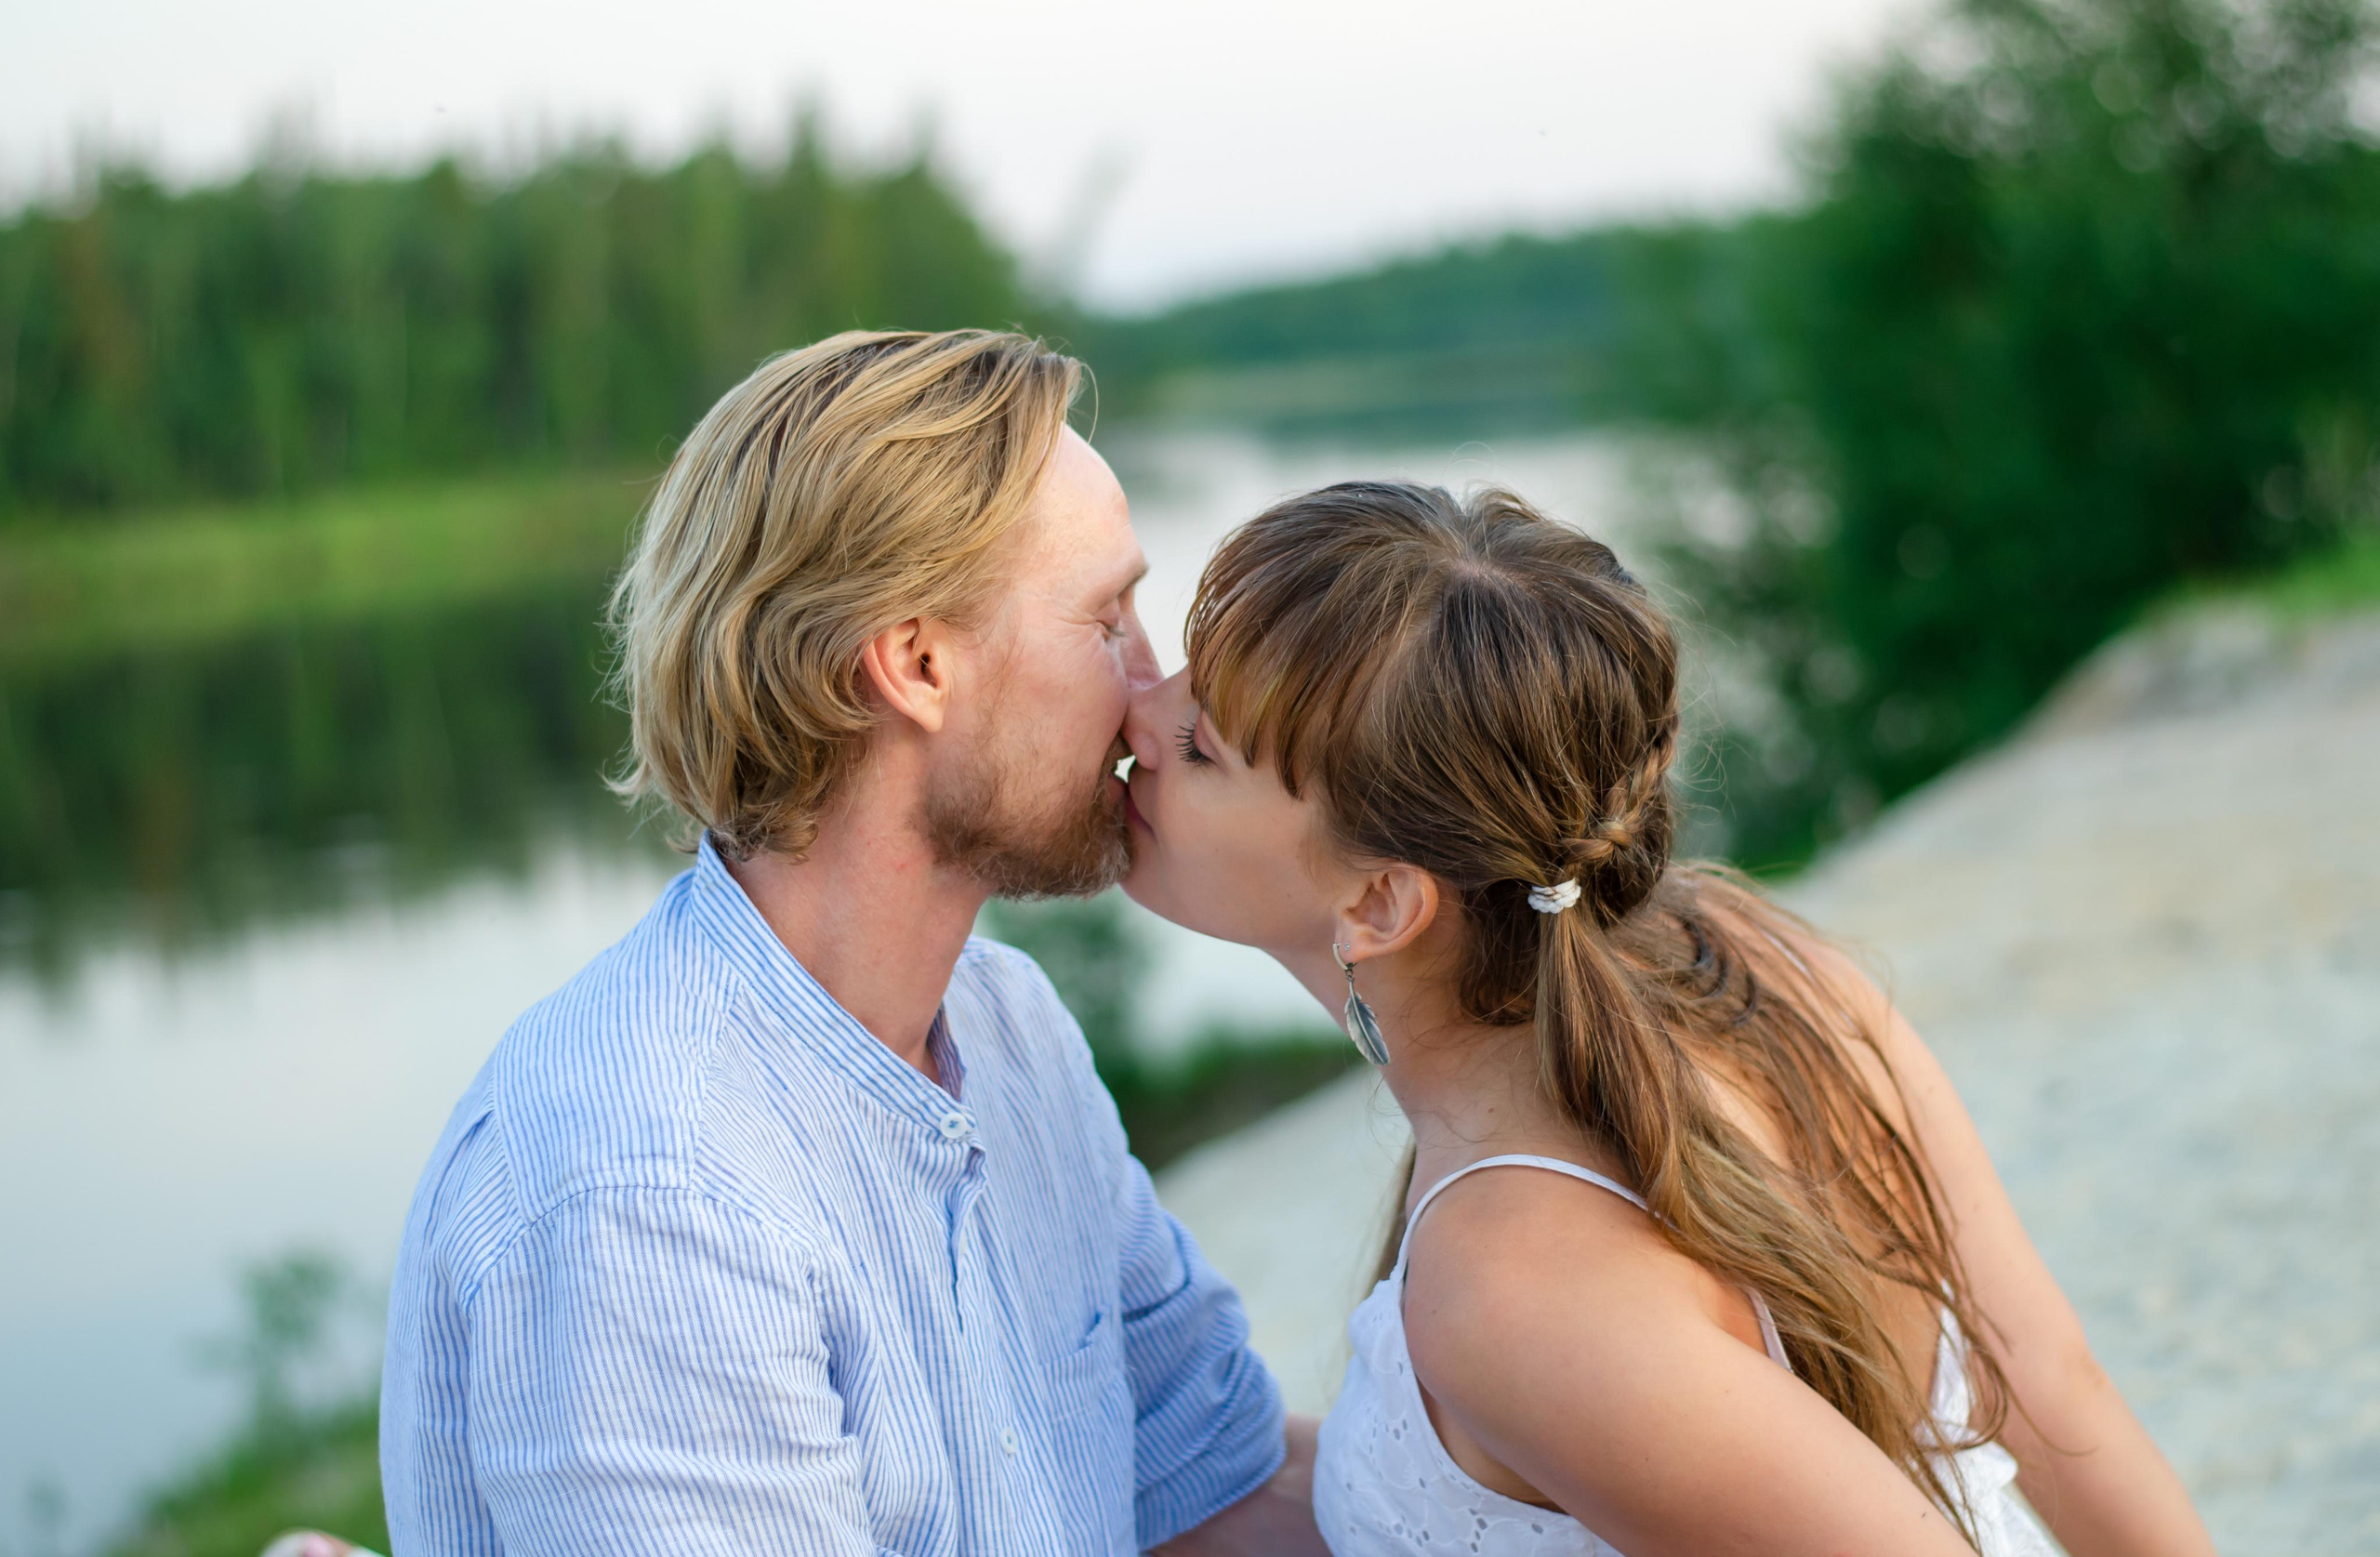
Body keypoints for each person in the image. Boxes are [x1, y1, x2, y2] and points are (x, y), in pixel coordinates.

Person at [1117, 481, 2217, 1556]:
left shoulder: (1513, 1287)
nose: (1137, 711)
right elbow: (2055, 1390)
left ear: (1380, 901)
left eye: (1203, 742)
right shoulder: (1748, 960)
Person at [378, 330, 1325, 1557]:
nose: (1154, 692)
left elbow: (1213, 1486)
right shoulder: (654, 1194)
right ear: (917, 664)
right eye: (1106, 620)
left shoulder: (1006, 1023)